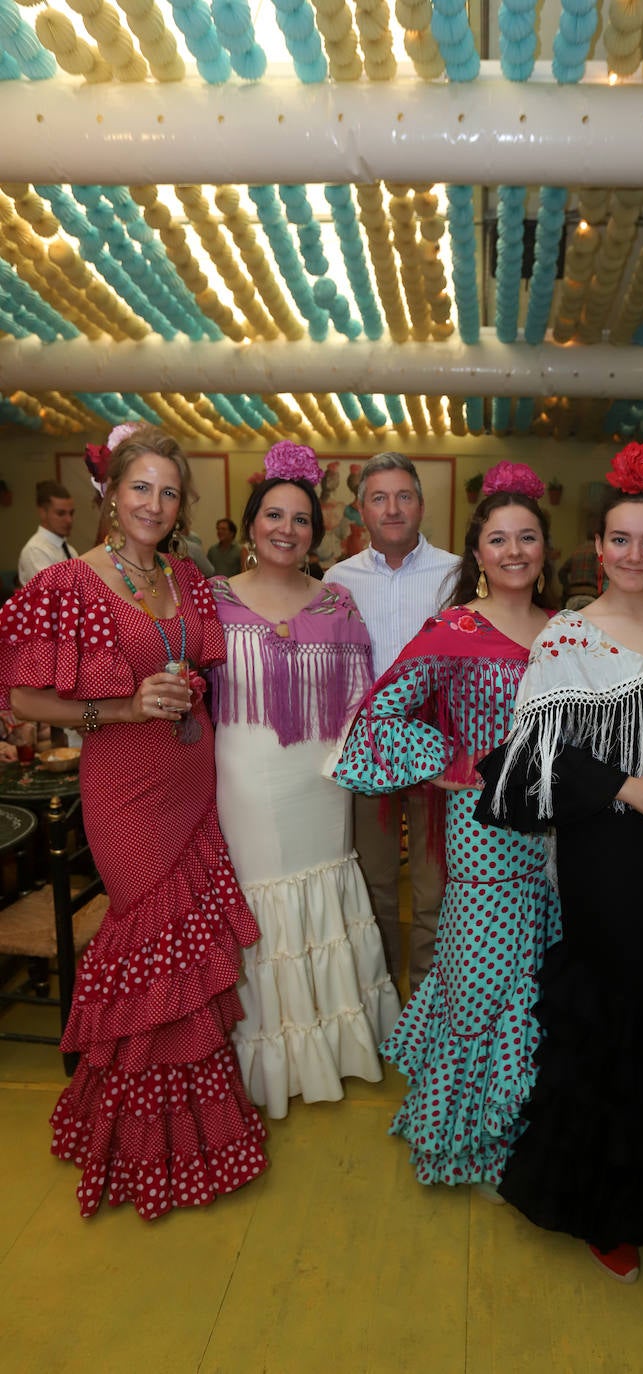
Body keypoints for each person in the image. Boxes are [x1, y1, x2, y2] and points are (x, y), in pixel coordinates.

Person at [0, 424, 268, 1219]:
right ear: (111, 495)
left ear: (184, 504)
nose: (154, 503)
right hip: (126, 792)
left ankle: (198, 1137)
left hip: (193, 782)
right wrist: (120, 707)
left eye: (169, 491)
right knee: (150, 950)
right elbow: (23, 699)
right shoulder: (70, 583)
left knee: (186, 962)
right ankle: (138, 1143)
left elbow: (207, 665)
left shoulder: (186, 575)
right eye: (140, 487)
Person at [476, 442, 643, 1284]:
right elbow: (528, 758)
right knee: (612, 1014)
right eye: (621, 539)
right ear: (597, 545)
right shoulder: (566, 637)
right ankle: (601, 1204)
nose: (634, 555)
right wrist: (620, 785)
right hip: (606, 854)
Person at [333, 461, 560, 1190]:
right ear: (478, 554)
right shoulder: (455, 627)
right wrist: (447, 764)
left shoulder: (566, 630)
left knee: (538, 974)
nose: (515, 550)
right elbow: (379, 715)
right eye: (499, 539)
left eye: (527, 537)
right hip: (483, 832)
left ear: (545, 548)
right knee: (482, 978)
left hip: (556, 833)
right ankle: (466, 1132)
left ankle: (524, 1120)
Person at [208, 442, 399, 1118]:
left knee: (325, 885)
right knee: (261, 897)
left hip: (321, 775)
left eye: (299, 519)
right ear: (250, 524)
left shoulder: (337, 603)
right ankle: (271, 1053)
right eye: (273, 515)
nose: (285, 529)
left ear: (315, 532)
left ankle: (336, 1044)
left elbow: (358, 698)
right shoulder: (213, 601)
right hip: (243, 770)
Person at [328, 453, 460, 994]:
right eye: (379, 498)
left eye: (404, 496)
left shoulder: (456, 574)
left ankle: (427, 996)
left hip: (439, 749)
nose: (393, 509)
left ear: (421, 505)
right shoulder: (338, 581)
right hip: (368, 751)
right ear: (361, 510)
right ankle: (381, 994)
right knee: (373, 881)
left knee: (435, 886)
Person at [17, 480, 77, 585]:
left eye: (71, 513)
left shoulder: (70, 550)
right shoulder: (35, 551)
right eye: (61, 513)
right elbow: (53, 592)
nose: (69, 520)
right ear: (43, 513)